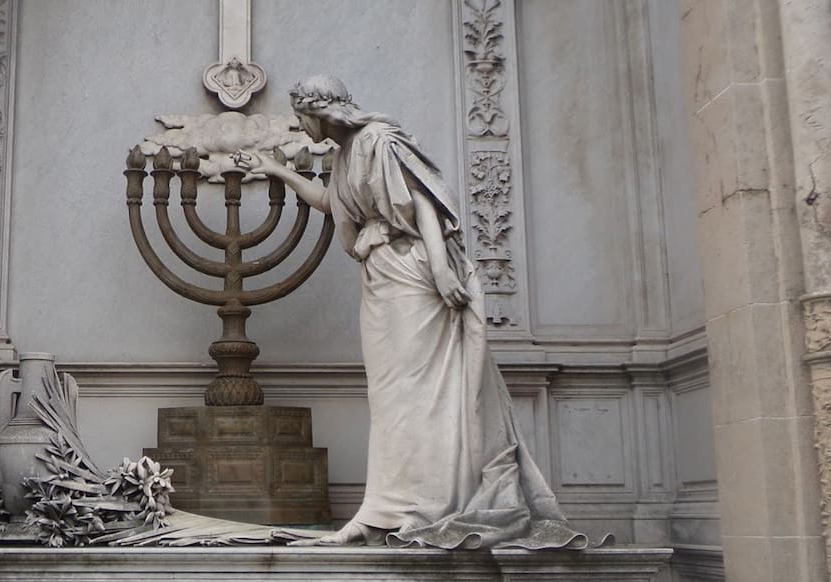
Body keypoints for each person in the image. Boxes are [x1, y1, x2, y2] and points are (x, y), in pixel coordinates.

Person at [235, 75, 602, 549]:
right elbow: (331, 203)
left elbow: (424, 201)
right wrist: (275, 169)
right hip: (381, 278)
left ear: (320, 112)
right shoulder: (345, 155)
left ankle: (427, 505)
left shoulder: (379, 140)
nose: (300, 127)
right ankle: (386, 508)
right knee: (391, 398)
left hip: (412, 274)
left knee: (420, 394)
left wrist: (442, 271)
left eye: (301, 117)